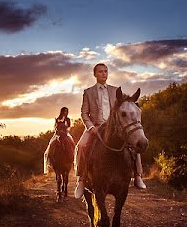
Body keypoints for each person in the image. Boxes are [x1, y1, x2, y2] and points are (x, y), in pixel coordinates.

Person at [73, 63, 146, 199]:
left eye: (105, 71)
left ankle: (137, 175)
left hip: (114, 127)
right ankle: (81, 180)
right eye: (100, 72)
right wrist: (90, 127)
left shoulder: (115, 91)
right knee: (81, 145)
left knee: (133, 143)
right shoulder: (88, 92)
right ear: (95, 74)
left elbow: (125, 104)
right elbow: (84, 113)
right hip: (95, 126)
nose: (103, 74)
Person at [44, 107, 74, 174]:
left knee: (72, 142)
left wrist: (66, 130)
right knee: (51, 144)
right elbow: (55, 127)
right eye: (64, 111)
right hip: (57, 134)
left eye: (66, 111)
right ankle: (49, 161)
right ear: (62, 112)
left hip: (66, 133)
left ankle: (73, 158)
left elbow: (69, 127)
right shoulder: (58, 119)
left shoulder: (68, 119)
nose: (65, 113)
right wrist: (58, 130)